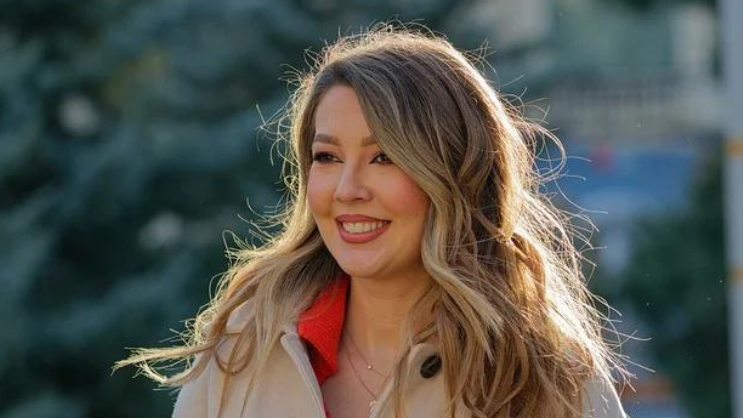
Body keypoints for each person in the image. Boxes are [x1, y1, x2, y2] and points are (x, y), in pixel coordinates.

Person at [115, 22, 630, 418]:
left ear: (453, 175)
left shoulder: (549, 377)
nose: (347, 190)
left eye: (383, 157)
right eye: (327, 157)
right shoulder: (241, 349)